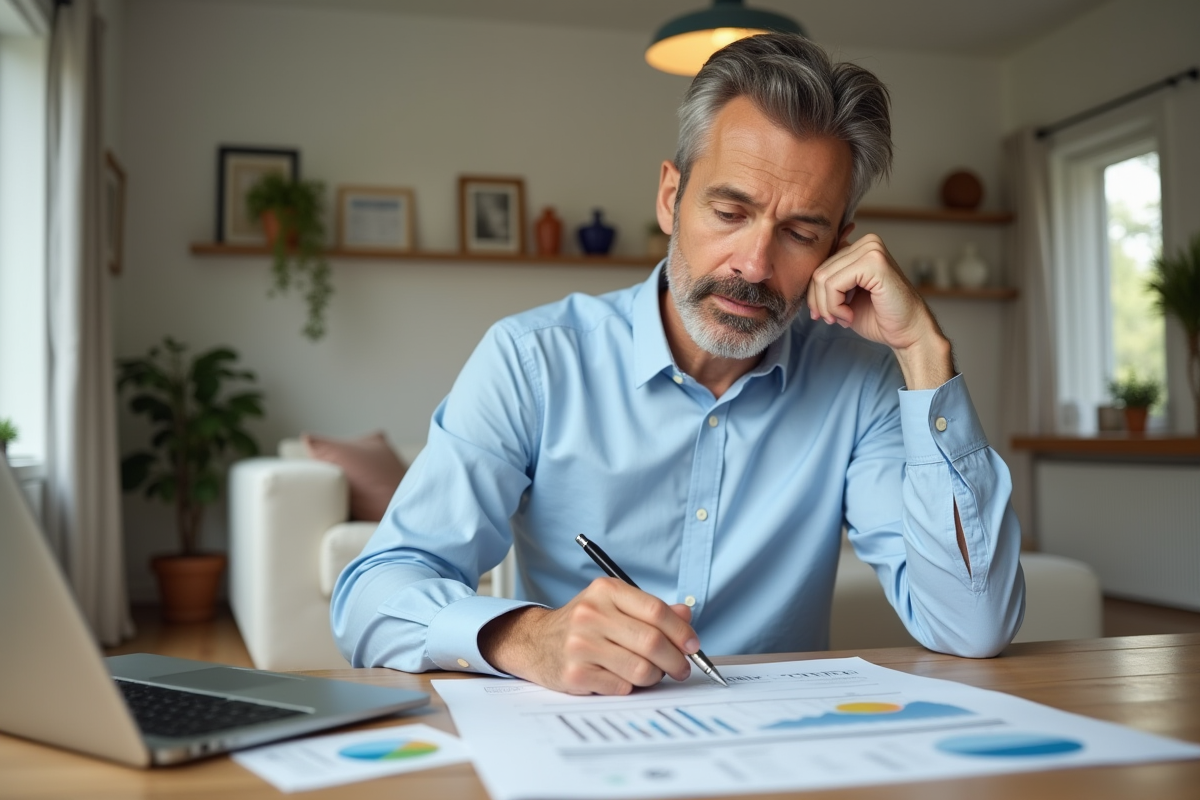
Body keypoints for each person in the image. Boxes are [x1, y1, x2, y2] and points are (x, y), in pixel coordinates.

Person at [331, 33, 1025, 696]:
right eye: (729, 212)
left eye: (798, 232)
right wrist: (529, 637)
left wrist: (923, 354)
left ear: (837, 249)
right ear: (671, 199)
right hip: (583, 737)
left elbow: (973, 625)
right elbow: (371, 598)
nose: (754, 265)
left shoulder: (861, 384)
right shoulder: (532, 360)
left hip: (778, 746)